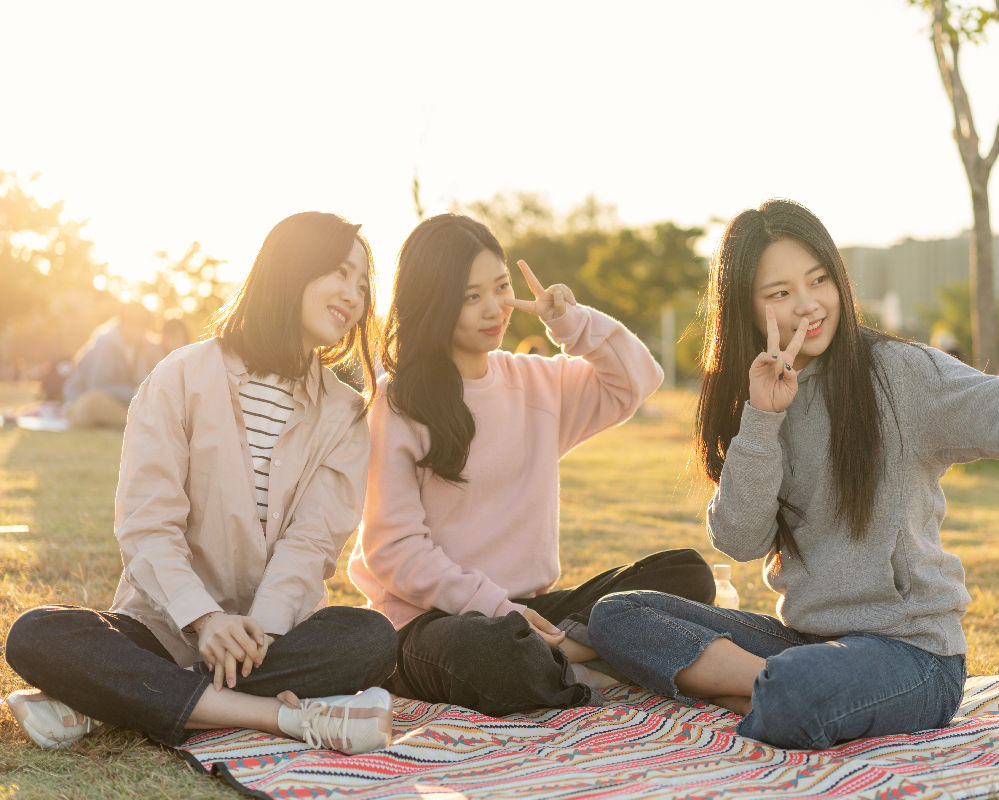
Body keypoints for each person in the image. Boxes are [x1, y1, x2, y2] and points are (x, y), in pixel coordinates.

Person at [587, 199, 999, 751]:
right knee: (619, 614)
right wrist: (762, 417)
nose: (810, 304)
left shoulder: (899, 374)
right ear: (745, 306)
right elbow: (739, 540)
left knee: (799, 691)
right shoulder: (757, 392)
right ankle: (768, 686)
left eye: (819, 280)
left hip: (912, 657)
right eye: (781, 292)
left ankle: (760, 687)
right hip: (805, 641)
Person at [5, 212, 398, 754]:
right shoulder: (181, 375)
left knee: (370, 639)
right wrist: (206, 620)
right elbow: (147, 524)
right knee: (37, 634)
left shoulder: (347, 413)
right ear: (290, 269)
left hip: (273, 641)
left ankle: (106, 700)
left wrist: (254, 631)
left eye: (362, 284)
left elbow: (310, 543)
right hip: (163, 630)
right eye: (339, 272)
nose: (354, 294)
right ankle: (281, 717)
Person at [348, 213, 715, 717]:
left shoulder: (535, 382)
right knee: (493, 655)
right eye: (469, 296)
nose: (494, 308)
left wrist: (573, 323)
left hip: (535, 615)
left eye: (500, 287)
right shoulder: (398, 403)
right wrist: (500, 611)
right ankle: (605, 662)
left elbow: (637, 380)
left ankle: (571, 662)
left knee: (686, 576)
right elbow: (394, 551)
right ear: (433, 302)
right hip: (434, 625)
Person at [62, 303, 163, 427]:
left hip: (119, 403)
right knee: (95, 402)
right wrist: (132, 392)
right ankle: (140, 423)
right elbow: (97, 387)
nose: (144, 333)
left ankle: (138, 420)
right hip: (82, 404)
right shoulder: (105, 345)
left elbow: (140, 380)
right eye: (140, 328)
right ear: (126, 324)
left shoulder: (141, 346)